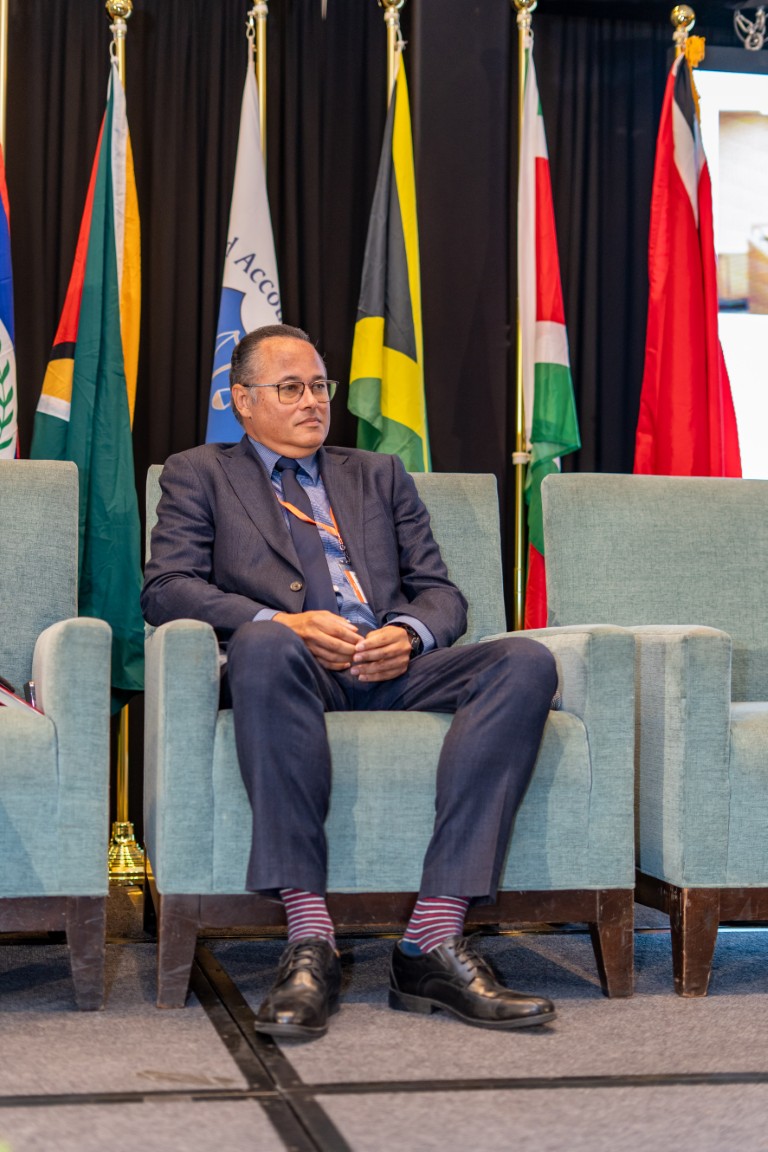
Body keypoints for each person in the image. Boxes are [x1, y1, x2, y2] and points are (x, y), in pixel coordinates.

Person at [142, 324, 559, 1040]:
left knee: (526, 662)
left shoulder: (378, 474)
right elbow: (166, 588)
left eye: (319, 386)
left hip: (392, 665)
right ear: (242, 400)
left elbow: (441, 593)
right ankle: (311, 941)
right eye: (290, 388)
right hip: (293, 669)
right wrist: (284, 622)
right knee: (262, 645)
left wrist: (410, 634)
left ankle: (432, 940)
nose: (313, 402)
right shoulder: (199, 472)